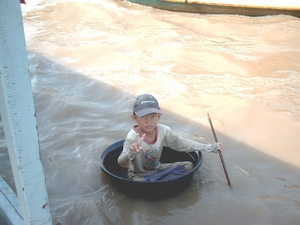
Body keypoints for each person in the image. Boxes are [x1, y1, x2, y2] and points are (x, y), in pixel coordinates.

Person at [118, 94, 222, 181]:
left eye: (153, 116)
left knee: (188, 166)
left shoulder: (163, 131)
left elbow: (183, 144)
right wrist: (131, 152)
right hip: (138, 175)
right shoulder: (132, 137)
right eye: (143, 116)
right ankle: (158, 181)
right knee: (139, 182)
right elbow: (121, 163)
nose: (148, 120)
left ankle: (157, 180)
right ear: (134, 118)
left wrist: (209, 147)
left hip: (157, 169)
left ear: (159, 117)